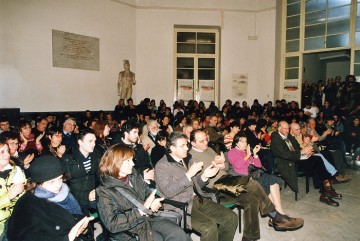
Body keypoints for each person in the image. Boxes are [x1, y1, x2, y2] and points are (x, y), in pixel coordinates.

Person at [189, 130, 303, 241]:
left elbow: (227, 168)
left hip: (227, 180)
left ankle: (250, 237)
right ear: (193, 143)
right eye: (201, 141)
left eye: (206, 139)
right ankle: (275, 215)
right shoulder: (191, 157)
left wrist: (223, 165)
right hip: (215, 188)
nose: (206, 143)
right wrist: (213, 167)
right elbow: (198, 183)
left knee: (253, 199)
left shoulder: (209, 149)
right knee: (251, 182)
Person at [96, 144, 190, 241]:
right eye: (128, 161)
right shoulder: (104, 191)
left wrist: (154, 201)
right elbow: (112, 224)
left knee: (178, 233)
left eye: (132, 160)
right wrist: (141, 210)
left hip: (150, 218)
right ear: (116, 163)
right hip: (130, 230)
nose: (132, 164)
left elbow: (147, 192)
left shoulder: (133, 174)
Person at [155, 132, 238, 241]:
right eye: (182, 146)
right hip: (180, 206)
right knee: (209, 227)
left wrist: (204, 176)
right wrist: (188, 175)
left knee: (231, 217)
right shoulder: (162, 166)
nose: (186, 148)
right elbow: (168, 192)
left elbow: (195, 184)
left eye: (186, 145)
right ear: (171, 148)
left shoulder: (187, 158)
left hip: (198, 199)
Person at [7, 155, 94, 241]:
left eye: (60, 179)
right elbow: (23, 237)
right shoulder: (27, 203)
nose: (58, 185)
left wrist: (84, 230)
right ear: (37, 183)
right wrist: (67, 239)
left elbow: (81, 216)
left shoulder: (66, 192)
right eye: (51, 182)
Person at [271, 121, 343, 206]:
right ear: (279, 128)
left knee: (317, 160)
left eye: (288, 128)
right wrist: (302, 152)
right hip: (288, 163)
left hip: (296, 159)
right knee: (317, 161)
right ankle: (326, 191)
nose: (287, 130)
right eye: (285, 128)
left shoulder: (289, 136)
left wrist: (306, 152)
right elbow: (284, 154)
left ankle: (326, 190)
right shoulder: (276, 138)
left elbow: (298, 147)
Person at [62, 129, 100, 215]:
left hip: (94, 193)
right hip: (77, 197)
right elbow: (66, 185)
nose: (94, 144)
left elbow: (99, 176)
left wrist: (98, 190)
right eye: (90, 141)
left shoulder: (96, 155)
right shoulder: (68, 158)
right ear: (80, 142)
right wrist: (86, 195)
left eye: (94, 141)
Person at [0, 138, 26, 240]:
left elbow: (21, 197)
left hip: (15, 216)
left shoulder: (15, 169)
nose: (7, 155)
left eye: (7, 151)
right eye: (2, 152)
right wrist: (9, 195)